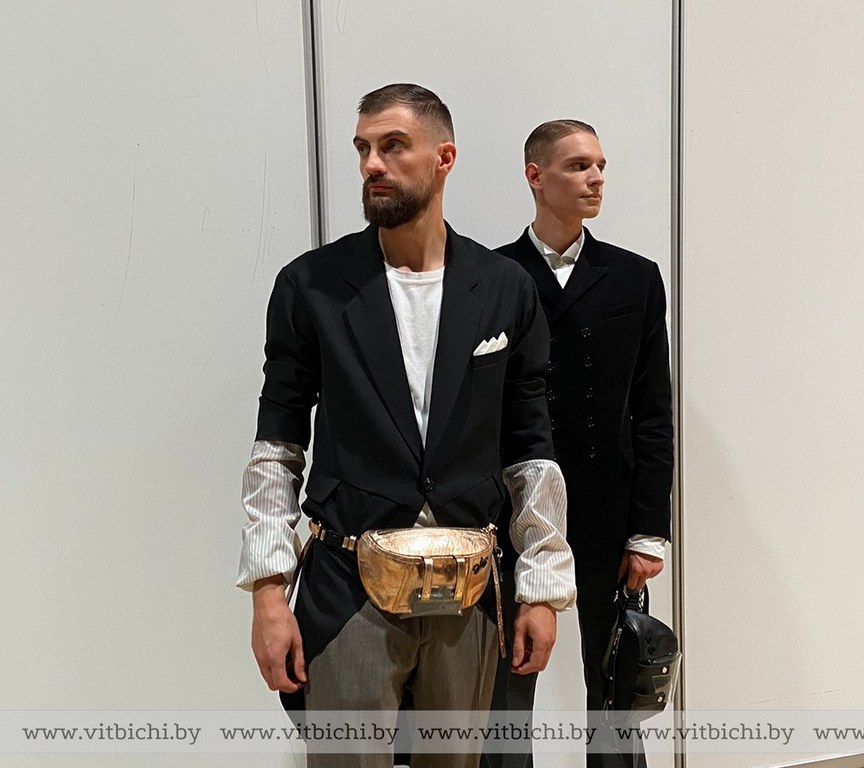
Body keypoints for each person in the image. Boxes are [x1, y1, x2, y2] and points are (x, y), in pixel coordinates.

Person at [235, 84, 576, 768]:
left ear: (444, 157)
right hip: (348, 586)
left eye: (393, 146)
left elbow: (530, 448)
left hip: (468, 594)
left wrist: (542, 588)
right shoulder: (312, 286)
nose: (372, 164)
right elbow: (278, 445)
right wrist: (269, 595)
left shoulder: (504, 286)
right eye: (363, 148)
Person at [485, 120, 674, 768]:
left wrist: (647, 531)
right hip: (508, 512)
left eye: (600, 165)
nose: (595, 178)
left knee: (615, 693)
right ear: (535, 176)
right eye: (578, 165)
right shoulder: (490, 277)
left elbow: (652, 412)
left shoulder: (634, 278)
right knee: (505, 692)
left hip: (606, 509)